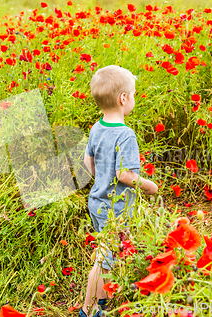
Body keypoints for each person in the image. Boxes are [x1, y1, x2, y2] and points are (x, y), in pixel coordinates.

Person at [80, 65, 159, 317]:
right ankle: (89, 309)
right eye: (133, 94)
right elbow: (124, 175)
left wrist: (100, 180)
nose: (133, 98)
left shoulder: (96, 128)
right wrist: (150, 186)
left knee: (111, 253)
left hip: (97, 202)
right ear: (123, 99)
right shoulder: (125, 135)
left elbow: (87, 162)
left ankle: (101, 299)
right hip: (114, 208)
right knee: (104, 259)